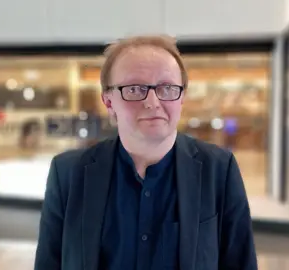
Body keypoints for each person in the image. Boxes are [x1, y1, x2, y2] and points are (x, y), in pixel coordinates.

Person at [34, 35, 258, 270]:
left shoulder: (219, 170)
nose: (152, 101)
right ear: (108, 102)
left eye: (167, 88)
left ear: (182, 97)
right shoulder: (68, 174)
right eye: (134, 89)